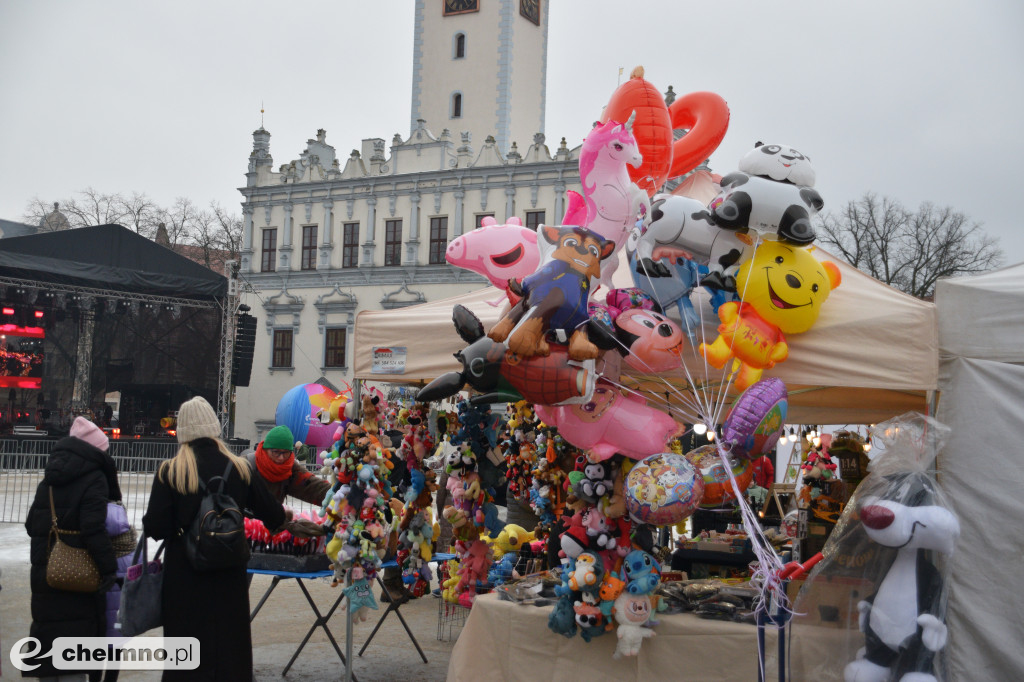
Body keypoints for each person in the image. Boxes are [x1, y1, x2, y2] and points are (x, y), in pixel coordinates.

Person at [143, 397, 284, 682]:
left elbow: (155, 527)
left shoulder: (171, 472)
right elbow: (275, 517)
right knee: (229, 654)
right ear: (214, 428)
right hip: (229, 579)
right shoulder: (240, 468)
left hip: (184, 579)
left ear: (183, 431)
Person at [24, 417, 120, 681]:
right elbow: (93, 529)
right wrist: (109, 568)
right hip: (76, 578)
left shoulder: (50, 478)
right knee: (73, 653)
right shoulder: (94, 479)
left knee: (49, 653)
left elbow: (32, 524)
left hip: (46, 574)